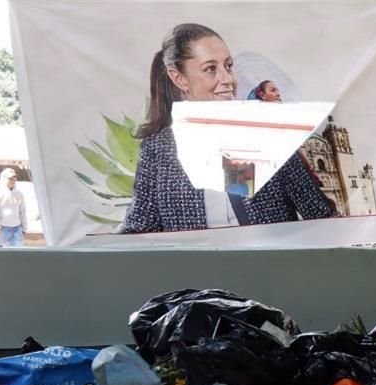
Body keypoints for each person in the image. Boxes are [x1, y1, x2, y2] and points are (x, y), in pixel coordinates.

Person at [122, 23, 335, 234]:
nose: (227, 79)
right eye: (210, 69)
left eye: (228, 66)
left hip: (269, 256)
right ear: (179, 78)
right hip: (197, 257)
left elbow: (322, 218)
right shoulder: (158, 148)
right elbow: (139, 232)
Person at [0, 168, 27, 246]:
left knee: (18, 252)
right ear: (4, 178)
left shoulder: (19, 194)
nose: (13, 180)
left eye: (14, 178)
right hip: (2, 229)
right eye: (10, 178)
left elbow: (22, 211)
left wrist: (24, 228)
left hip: (17, 228)